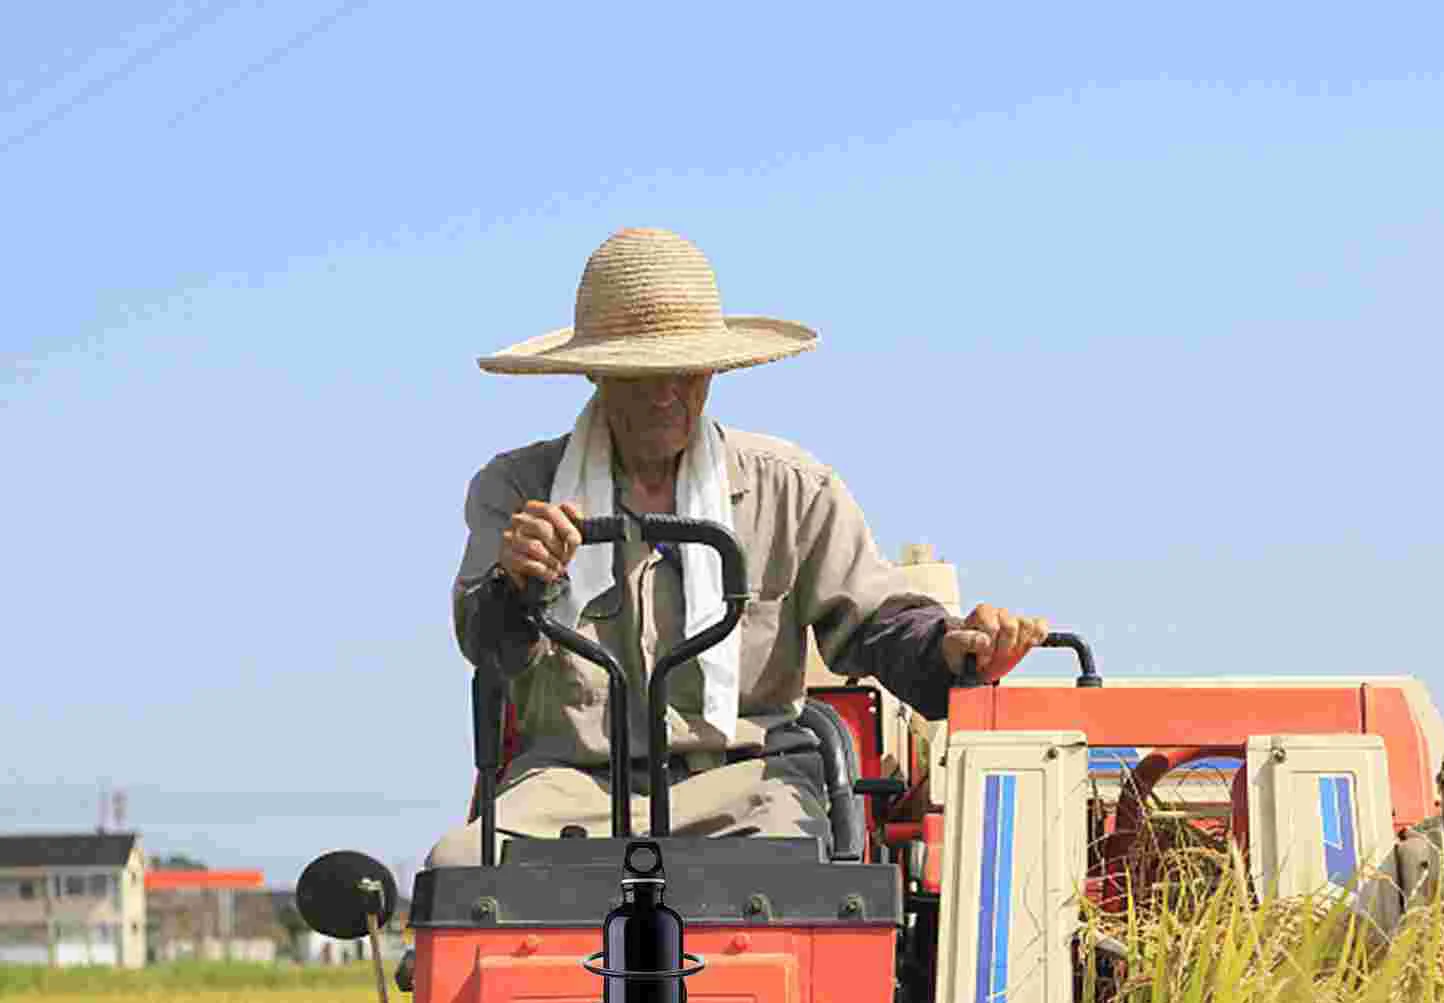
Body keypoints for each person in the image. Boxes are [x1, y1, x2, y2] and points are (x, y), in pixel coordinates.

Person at [426, 228, 1049, 866]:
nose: (666, 392)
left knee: (799, 882)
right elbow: (487, 645)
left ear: (716, 368)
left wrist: (953, 648)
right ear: (593, 370)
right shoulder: (520, 490)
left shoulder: (792, 487)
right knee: (459, 872)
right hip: (571, 784)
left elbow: (876, 623)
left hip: (748, 780)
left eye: (686, 369)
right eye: (641, 374)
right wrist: (521, 581)